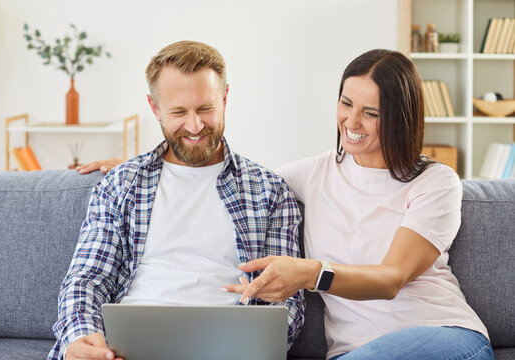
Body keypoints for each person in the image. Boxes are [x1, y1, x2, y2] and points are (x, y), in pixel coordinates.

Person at [80, 49, 494, 360]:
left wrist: (311, 273)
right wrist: (147, 166)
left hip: (443, 335)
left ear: (401, 117)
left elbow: (390, 279)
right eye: (346, 104)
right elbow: (228, 173)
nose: (351, 123)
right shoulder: (308, 176)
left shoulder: (435, 181)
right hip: (352, 352)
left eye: (372, 113)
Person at [49, 40, 305, 360]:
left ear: (225, 98)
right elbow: (86, 281)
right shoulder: (120, 185)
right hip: (125, 353)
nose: (195, 126)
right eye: (179, 112)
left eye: (206, 109)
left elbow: (286, 303)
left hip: (226, 352)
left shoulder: (270, 193)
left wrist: (258, 347)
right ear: (155, 108)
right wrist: (81, 339)